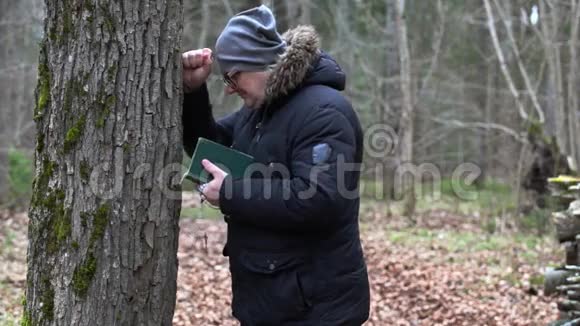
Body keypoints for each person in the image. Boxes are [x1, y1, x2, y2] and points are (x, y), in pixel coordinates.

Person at [182, 5, 370, 325]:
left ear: (259, 63)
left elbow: (318, 199)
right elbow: (210, 148)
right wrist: (193, 91)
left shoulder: (324, 112)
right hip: (274, 299)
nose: (229, 87)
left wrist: (230, 192)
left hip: (316, 308)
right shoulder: (260, 111)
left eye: (233, 75)